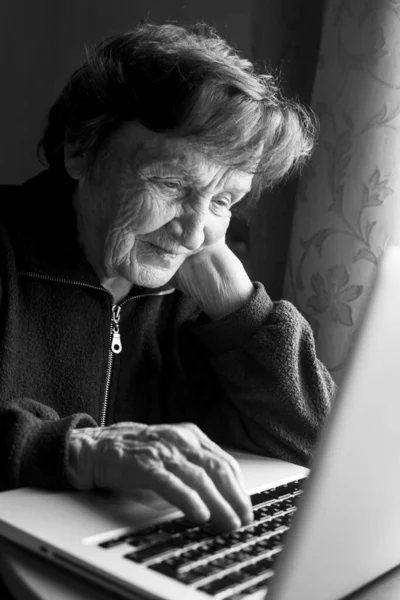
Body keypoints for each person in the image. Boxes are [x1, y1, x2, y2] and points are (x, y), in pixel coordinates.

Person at [0, 21, 336, 533]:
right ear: (80, 149)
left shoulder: (197, 296)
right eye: (172, 182)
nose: (195, 231)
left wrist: (240, 307)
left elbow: (319, 446)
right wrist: (78, 451)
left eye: (224, 201)